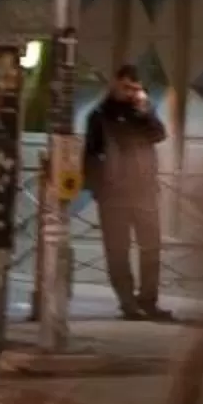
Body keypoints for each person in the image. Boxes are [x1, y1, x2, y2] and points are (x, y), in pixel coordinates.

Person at [83, 65, 167, 320]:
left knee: (151, 248)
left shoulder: (141, 113)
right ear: (115, 84)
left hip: (144, 191)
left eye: (135, 88)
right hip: (114, 193)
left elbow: (159, 135)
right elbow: (90, 154)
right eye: (126, 87)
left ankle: (148, 300)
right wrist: (98, 188)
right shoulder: (100, 115)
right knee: (117, 251)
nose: (130, 93)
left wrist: (145, 109)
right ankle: (128, 302)